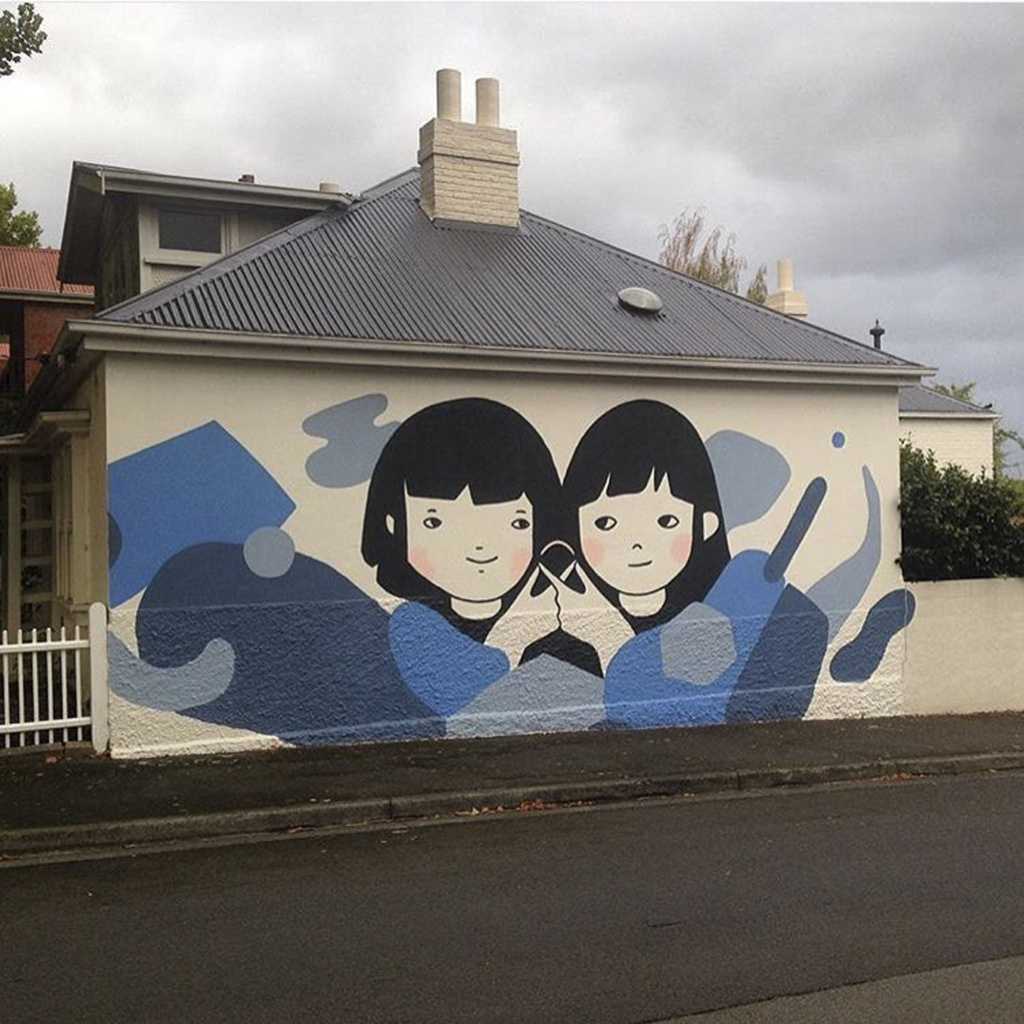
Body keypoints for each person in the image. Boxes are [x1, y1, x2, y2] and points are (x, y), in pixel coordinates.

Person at [361, 398, 567, 715]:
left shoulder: (557, 627)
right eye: (434, 522)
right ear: (392, 523)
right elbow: (461, 706)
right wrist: (515, 636)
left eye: (517, 523)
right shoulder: (412, 625)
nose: (480, 547)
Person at [556, 399, 741, 725]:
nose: (637, 543)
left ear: (705, 525)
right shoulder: (558, 639)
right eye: (605, 523)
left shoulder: (711, 620)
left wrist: (608, 636)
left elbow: (641, 701)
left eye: (666, 521)